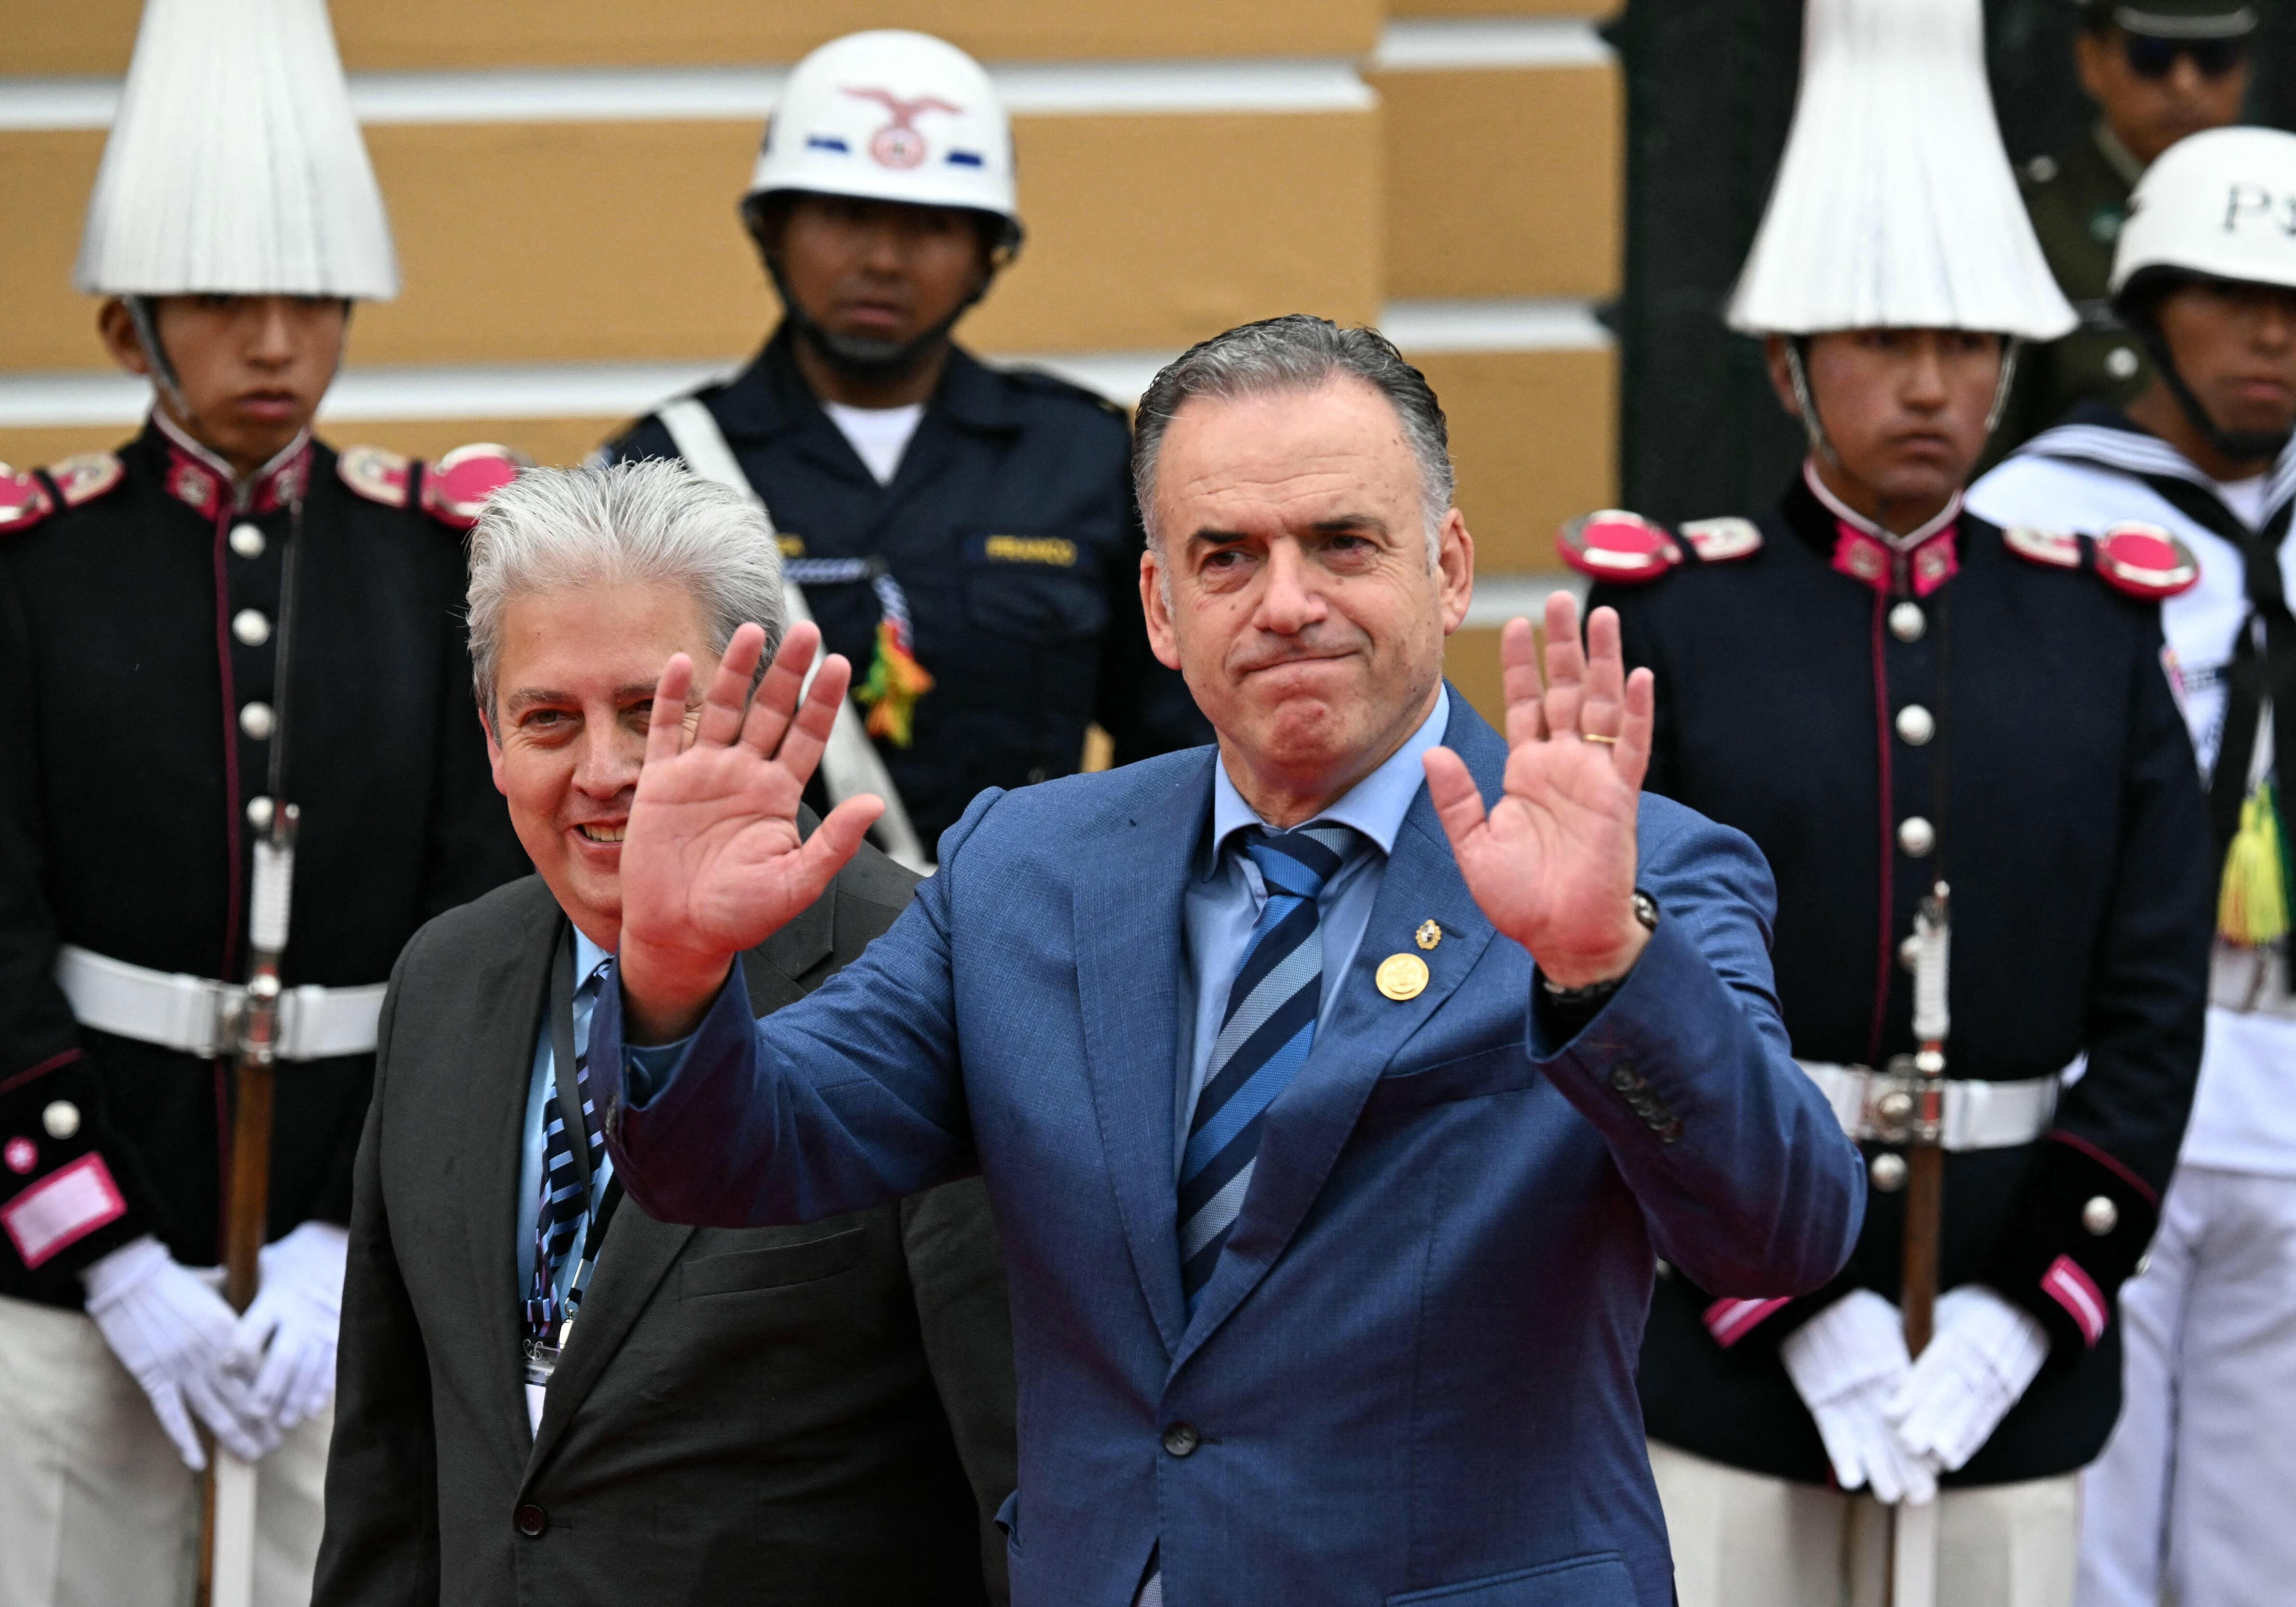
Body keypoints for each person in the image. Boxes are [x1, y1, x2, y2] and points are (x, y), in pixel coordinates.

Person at [580, 314, 1865, 1607]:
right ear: (1160, 605)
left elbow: (1782, 1232)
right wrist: (674, 975)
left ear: (1452, 566)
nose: (1289, 601)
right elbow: (742, 1153)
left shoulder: (1639, 867)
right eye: (1228, 556)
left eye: (1344, 542)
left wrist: (1600, 966)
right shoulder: (1026, 863)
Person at [1565, 0, 2215, 1601]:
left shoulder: (2099, 630)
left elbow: (2153, 1016)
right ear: (1790, 364)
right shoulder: (1676, 624)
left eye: (1969, 344)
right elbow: (1610, 998)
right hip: (1731, 1335)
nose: (1932, 382)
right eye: (1883, 340)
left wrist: (2031, 1307)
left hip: (2013, 1320)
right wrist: (1777, 1302)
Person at [0, 0, 530, 1601]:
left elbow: (486, 917)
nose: (279, 345)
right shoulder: (33, 570)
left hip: (349, 1236)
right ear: (126, 331)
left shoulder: (447, 564)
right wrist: (102, 1256)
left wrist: (347, 1230)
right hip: (78, 1239)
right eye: (225, 303)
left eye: (314, 301)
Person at [310, 462, 1017, 1606]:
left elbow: (1012, 1469)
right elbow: (391, 1461)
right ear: (492, 740)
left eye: (654, 712)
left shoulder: (925, 974)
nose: (605, 772)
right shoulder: (445, 975)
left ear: (761, 709)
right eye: (548, 719)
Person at [1969, 126, 2296, 1607]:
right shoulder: (2033, 519)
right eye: (2228, 294)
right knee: (2073, 1548)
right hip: (2105, 1092)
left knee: (2288, 1564)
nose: (2274, 333)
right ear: (2151, 306)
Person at [601, 29, 1208, 869]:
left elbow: (1178, 736)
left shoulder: (1081, 453)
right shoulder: (664, 467)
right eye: (845, 216)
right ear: (772, 232)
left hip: (1028, 939)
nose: (884, 260)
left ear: (987, 258)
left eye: (930, 225)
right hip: (765, 962)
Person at [1991, 0, 2296, 473]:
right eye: (2151, 55)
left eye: (2215, 57)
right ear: (2091, 60)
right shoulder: (2028, 227)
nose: (2184, 84)